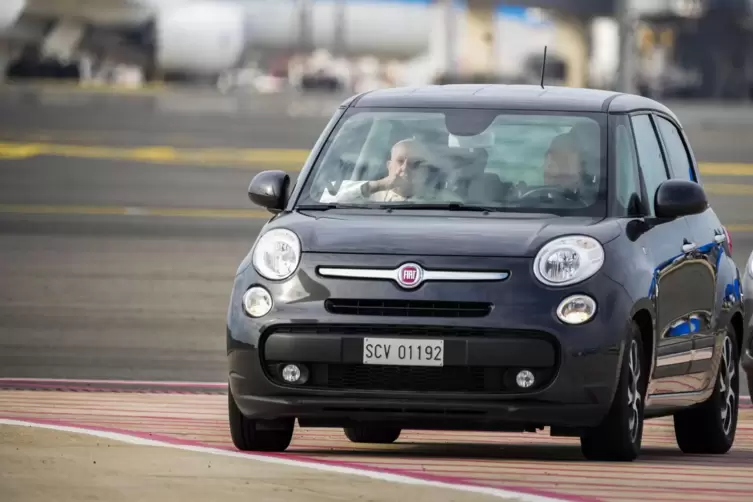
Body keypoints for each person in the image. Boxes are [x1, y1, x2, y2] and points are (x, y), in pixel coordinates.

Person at [332, 138, 460, 203]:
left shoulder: (446, 202)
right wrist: (379, 185)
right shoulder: (369, 196)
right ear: (389, 166)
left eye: (415, 164)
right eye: (400, 161)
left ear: (426, 172)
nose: (404, 168)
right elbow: (327, 199)